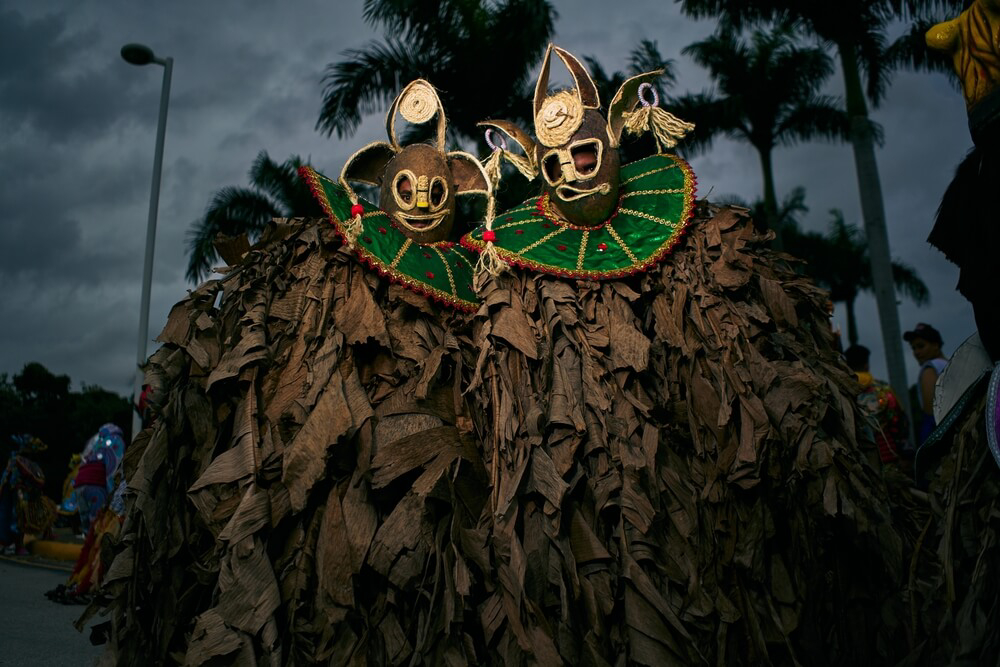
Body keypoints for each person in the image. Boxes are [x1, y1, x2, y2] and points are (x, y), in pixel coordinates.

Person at [461, 45, 903, 665]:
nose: (572, 172)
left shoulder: (704, 250)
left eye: (584, 154)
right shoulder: (519, 293)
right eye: (555, 165)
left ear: (612, 146)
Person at [98, 81, 495, 665]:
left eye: (433, 189)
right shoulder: (319, 275)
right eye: (405, 187)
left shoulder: (476, 298)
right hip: (332, 490)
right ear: (381, 182)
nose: (417, 200)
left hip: (428, 519)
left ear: (459, 186)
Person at [844, 344, 910, 465]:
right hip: (888, 454)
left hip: (860, 460)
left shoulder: (842, 391)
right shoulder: (882, 390)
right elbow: (898, 422)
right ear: (866, 365)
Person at [903, 323, 948, 445]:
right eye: (913, 348)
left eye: (921, 346)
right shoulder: (948, 364)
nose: (916, 352)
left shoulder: (930, 369)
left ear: (935, 345)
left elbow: (931, 412)